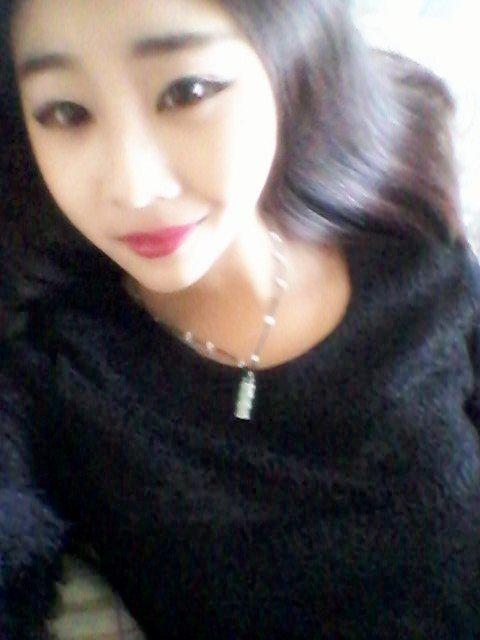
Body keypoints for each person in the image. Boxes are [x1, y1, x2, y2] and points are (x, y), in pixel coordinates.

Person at [0, 0, 479, 638]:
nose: (133, 187)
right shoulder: (50, 364)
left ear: (288, 62)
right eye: (65, 112)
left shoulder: (411, 252)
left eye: (187, 91)